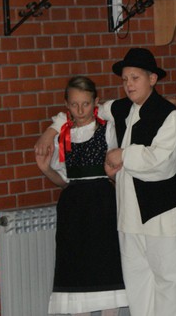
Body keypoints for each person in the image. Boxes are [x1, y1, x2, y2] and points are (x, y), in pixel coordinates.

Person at [37, 48, 176, 316]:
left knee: (170, 285)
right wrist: (51, 131)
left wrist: (124, 154)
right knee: (138, 286)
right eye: (125, 79)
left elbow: (163, 163)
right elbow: (83, 109)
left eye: (135, 78)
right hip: (129, 217)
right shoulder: (121, 108)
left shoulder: (168, 116)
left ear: (152, 79)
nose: (129, 84)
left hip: (163, 216)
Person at [34, 76, 128, 315]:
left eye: (85, 104)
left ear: (95, 102)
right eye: (74, 104)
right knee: (76, 270)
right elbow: (64, 181)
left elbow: (117, 170)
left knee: (106, 268)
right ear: (67, 105)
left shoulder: (107, 129)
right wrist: (45, 169)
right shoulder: (63, 135)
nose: (80, 110)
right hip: (73, 207)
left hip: (103, 203)